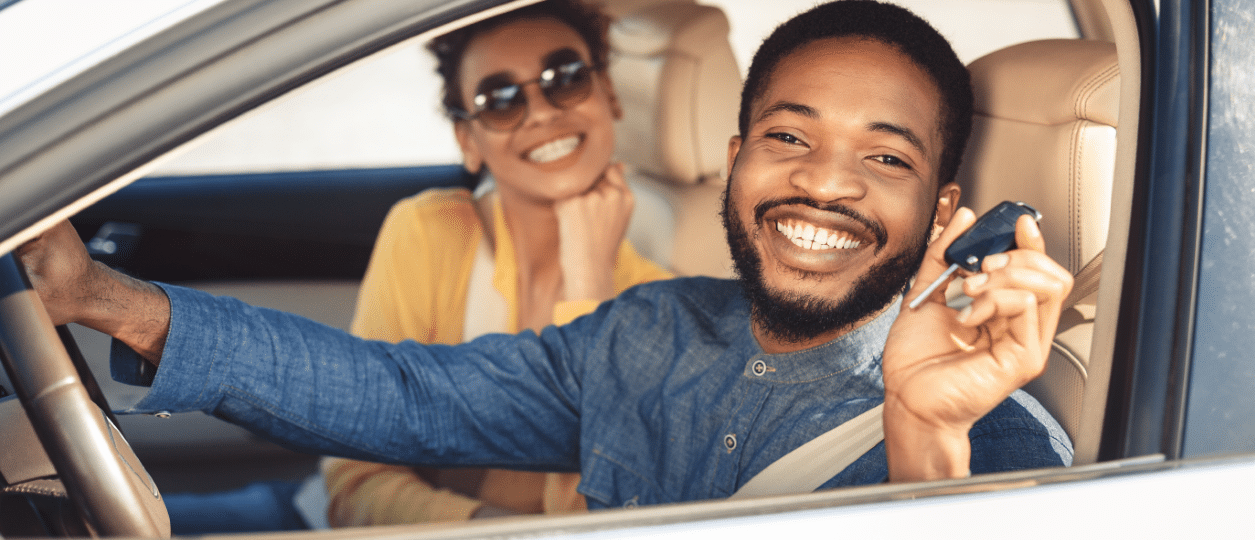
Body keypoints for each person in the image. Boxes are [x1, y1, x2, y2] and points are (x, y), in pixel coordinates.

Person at [17, 0, 1074, 509]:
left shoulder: (995, 437)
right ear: (736, 160)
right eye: (788, 138)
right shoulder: (645, 330)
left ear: (941, 213)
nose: (823, 183)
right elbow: (398, 391)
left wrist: (922, 438)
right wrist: (106, 297)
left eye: (881, 158)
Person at [322, 0, 669, 526]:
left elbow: (603, 519)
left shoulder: (661, 306)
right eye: (501, 99)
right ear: (469, 141)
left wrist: (589, 290)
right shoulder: (428, 232)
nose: (542, 113)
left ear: (610, 96)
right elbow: (355, 481)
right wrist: (485, 528)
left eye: (566, 77)